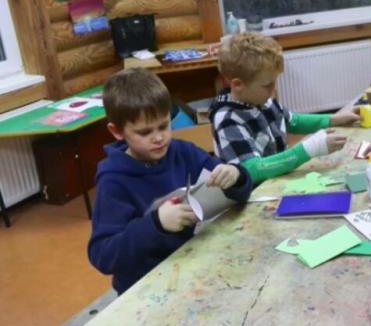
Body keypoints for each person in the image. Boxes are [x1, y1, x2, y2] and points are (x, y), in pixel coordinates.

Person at [88, 68, 252, 295]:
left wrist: (236, 176)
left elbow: (237, 190)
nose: (158, 138)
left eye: (164, 126)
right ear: (117, 132)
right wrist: (156, 224)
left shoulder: (182, 152)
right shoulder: (113, 181)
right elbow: (102, 255)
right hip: (144, 288)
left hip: (191, 267)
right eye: (145, 132)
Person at [209, 32, 359, 185]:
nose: (274, 90)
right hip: (256, 193)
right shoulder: (227, 120)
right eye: (268, 85)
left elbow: (292, 121)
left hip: (278, 178)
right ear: (238, 85)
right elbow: (251, 170)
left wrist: (333, 119)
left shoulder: (261, 100)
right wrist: (310, 149)